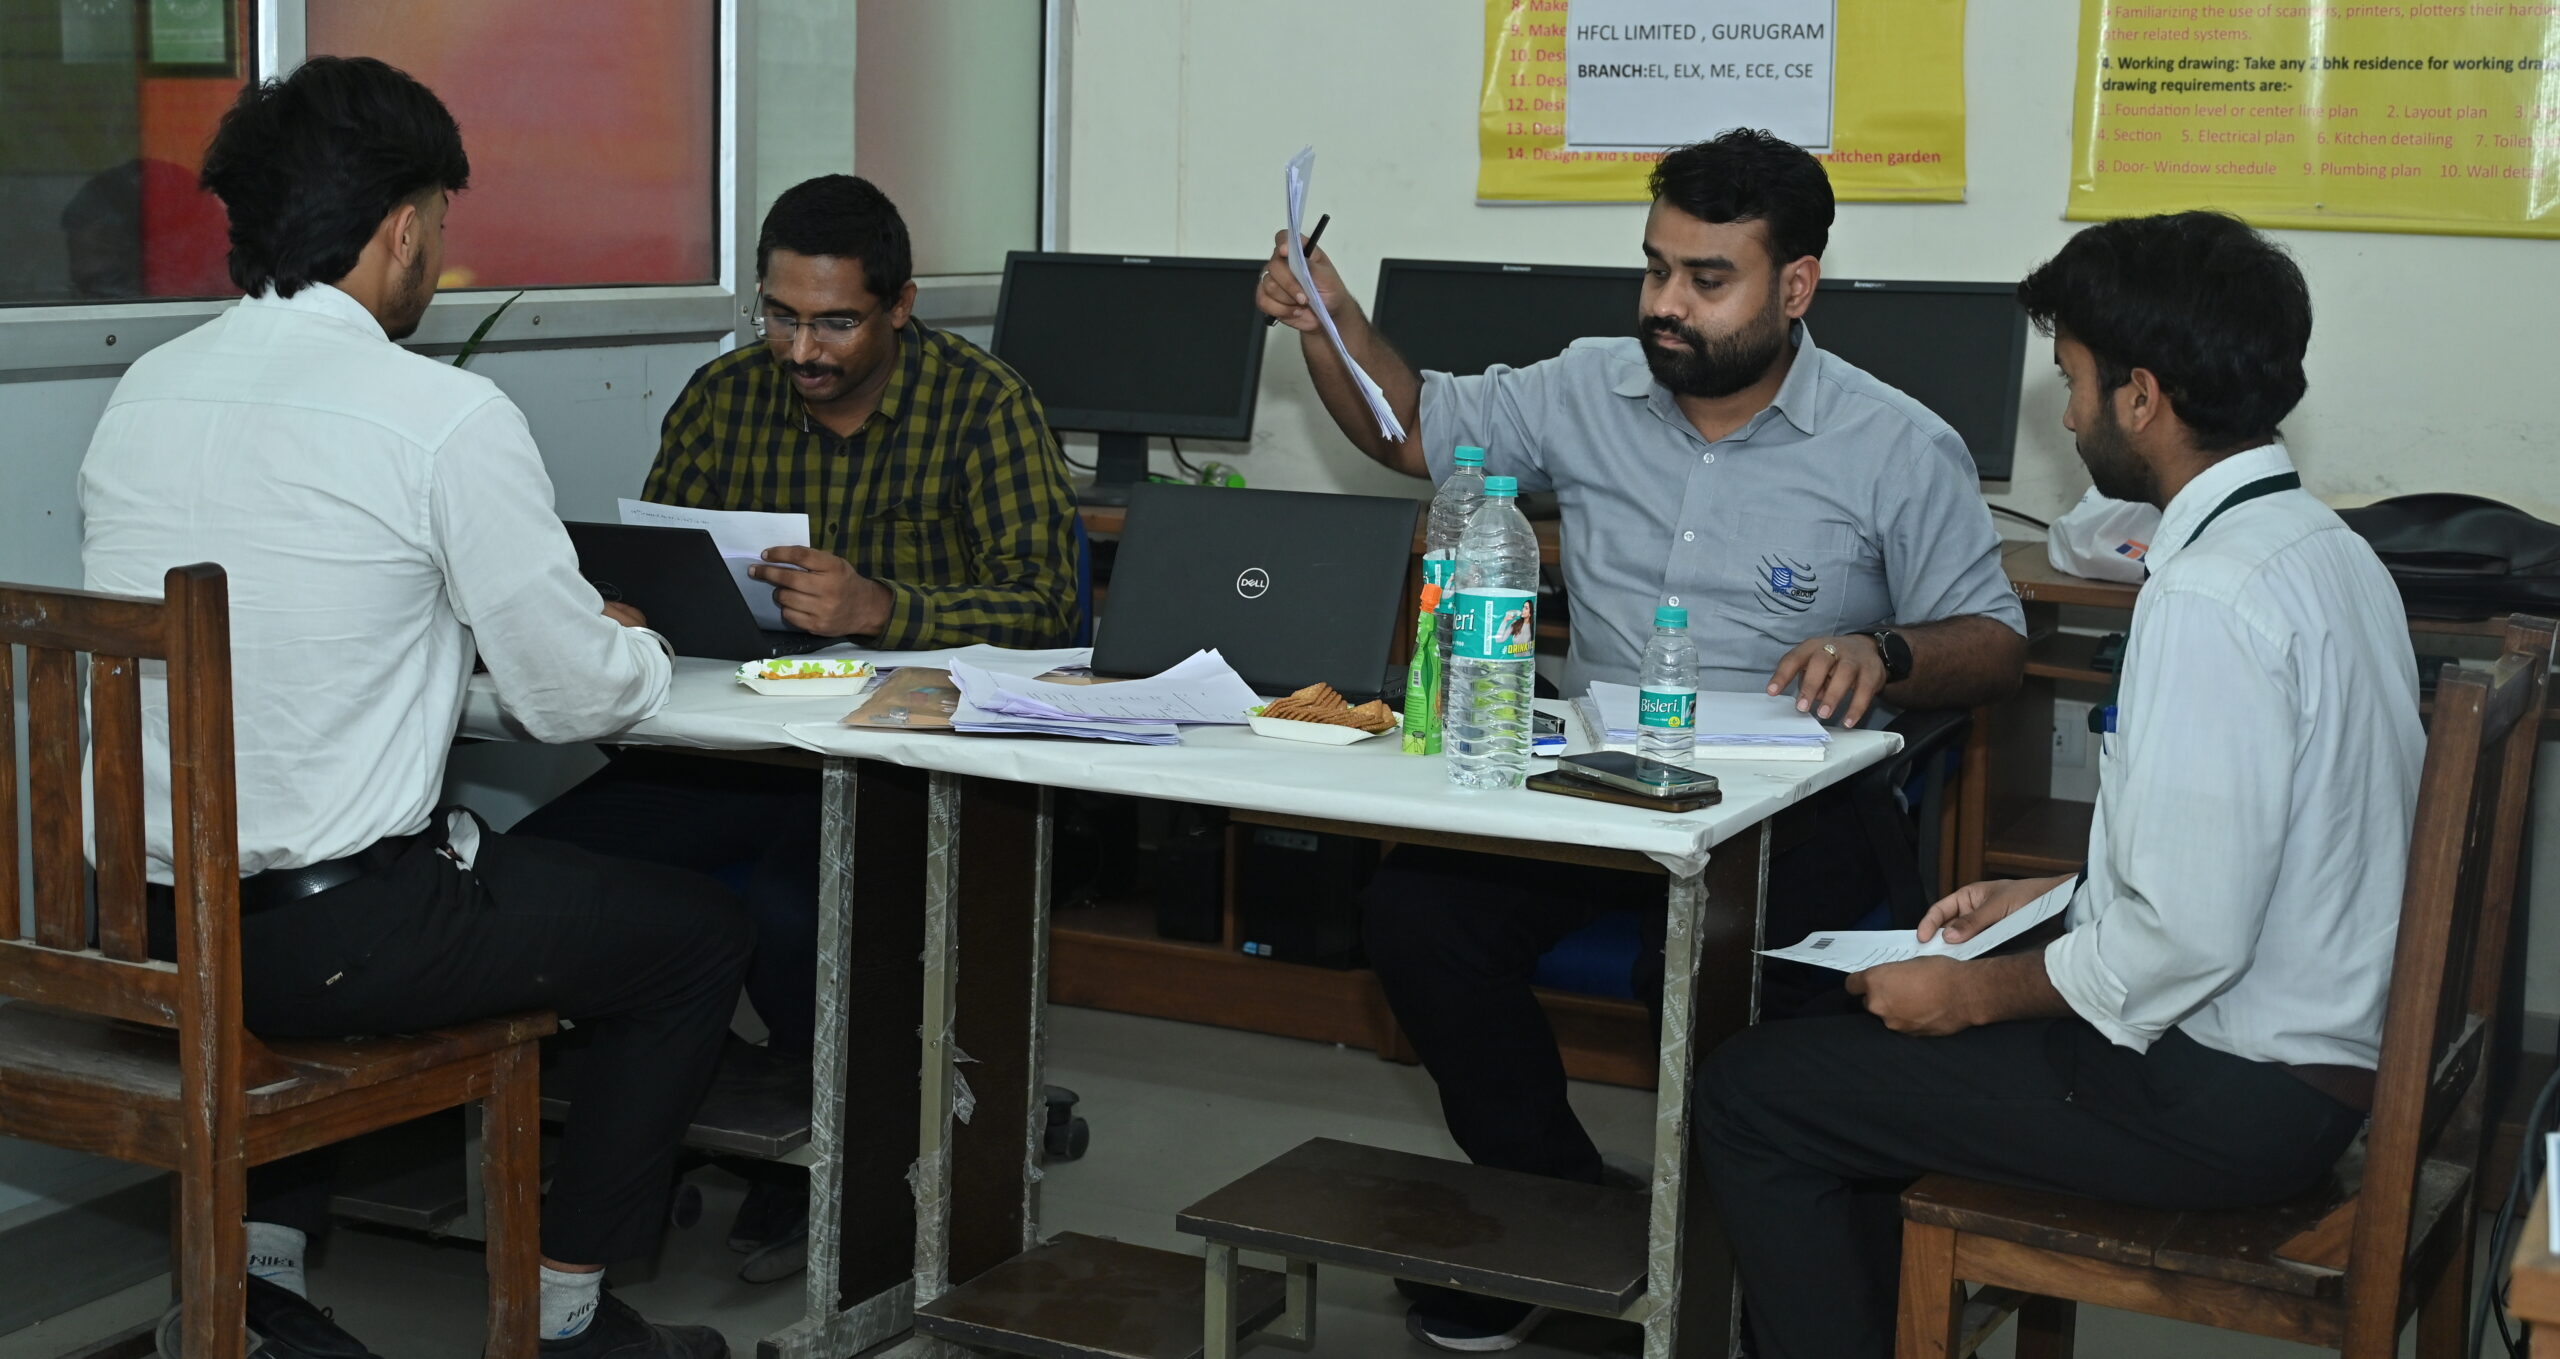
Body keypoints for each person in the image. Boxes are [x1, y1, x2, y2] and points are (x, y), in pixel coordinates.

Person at [1254, 127, 2030, 1350]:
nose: (1666, 303)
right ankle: (1554, 1212)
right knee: (1416, 915)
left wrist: (1886, 650)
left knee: (1743, 986)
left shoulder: (1894, 443)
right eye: (1655, 267)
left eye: (1706, 278)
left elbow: (1994, 640)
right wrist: (1327, 321)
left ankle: (1758, 1270)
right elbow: (1411, 428)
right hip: (1593, 786)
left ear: (1795, 285)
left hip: (1787, 806)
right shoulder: (1586, 385)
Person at [79, 57, 751, 1359]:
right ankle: (567, 1314)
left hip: (147, 933)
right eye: (440, 218)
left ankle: (263, 1289)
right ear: (400, 226)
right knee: (693, 937)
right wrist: (640, 645)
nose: (439, 248)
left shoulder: (145, 391)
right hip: (327, 942)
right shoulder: (439, 414)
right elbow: (566, 693)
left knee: (361, 874)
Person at [1693, 211, 2421, 1359]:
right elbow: (2264, 845)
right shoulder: (2323, 548)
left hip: (2225, 1093)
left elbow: (2183, 937)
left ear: (2143, 397)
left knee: (1754, 1091)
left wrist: (1971, 994)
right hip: (2307, 1059)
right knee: (1850, 1062)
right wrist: (2056, 898)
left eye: (2075, 381)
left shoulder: (2207, 598)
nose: (2069, 414)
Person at [514, 173, 1081, 1278]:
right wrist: (626, 606)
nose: (802, 349)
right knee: (543, 870)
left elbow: (1049, 605)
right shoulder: (724, 396)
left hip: (894, 768)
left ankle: (837, 1152)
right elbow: (659, 556)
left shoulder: (984, 404)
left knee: (793, 908)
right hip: (727, 753)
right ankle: (650, 1116)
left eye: (836, 322)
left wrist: (882, 606)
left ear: (901, 306)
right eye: (780, 315)